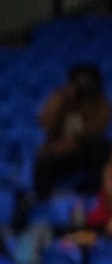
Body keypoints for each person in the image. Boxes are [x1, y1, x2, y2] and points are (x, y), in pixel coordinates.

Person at [34, 62, 111, 198]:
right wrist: (62, 98)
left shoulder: (99, 103)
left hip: (85, 152)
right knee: (43, 158)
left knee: (99, 144)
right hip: (61, 152)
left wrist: (88, 105)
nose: (83, 85)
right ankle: (43, 199)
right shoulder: (61, 98)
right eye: (79, 80)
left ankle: (98, 191)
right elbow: (44, 122)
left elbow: (97, 128)